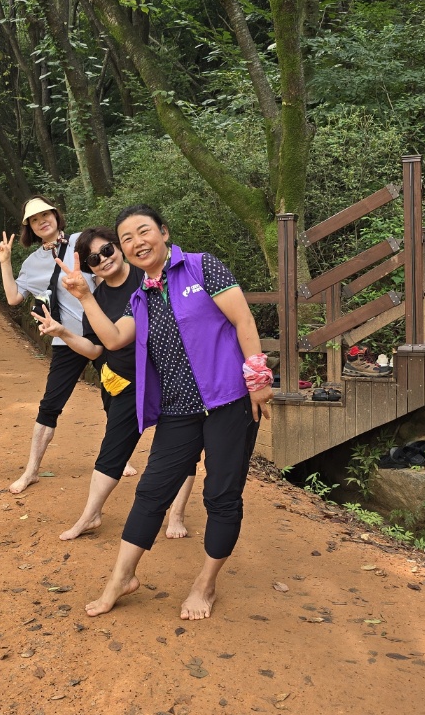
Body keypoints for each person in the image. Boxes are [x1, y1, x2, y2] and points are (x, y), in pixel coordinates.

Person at [66, 204, 271, 621]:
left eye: (144, 231)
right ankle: (121, 579)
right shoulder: (141, 297)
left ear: (163, 232)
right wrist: (85, 296)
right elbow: (114, 339)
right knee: (150, 492)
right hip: (179, 409)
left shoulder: (201, 267)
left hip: (229, 402)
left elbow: (243, 320)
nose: (137, 242)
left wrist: (258, 378)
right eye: (127, 238)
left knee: (221, 496)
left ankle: (205, 584)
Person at [33, 227, 194, 541]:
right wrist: (63, 333)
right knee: (112, 449)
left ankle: (176, 514)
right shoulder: (97, 300)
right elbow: (95, 349)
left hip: (172, 375)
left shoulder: (147, 276)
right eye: (94, 259)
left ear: (119, 247)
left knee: (181, 445)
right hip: (127, 381)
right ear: (90, 268)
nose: (103, 259)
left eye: (106, 250)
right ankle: (90, 515)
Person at [0, 196, 97, 495]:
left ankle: (121, 457)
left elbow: (108, 272)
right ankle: (31, 470)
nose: (42, 221)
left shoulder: (81, 241)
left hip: (102, 330)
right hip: (65, 338)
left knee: (116, 396)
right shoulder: (31, 263)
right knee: (50, 404)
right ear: (30, 228)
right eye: (34, 219)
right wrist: (5, 263)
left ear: (56, 215)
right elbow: (14, 298)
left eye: (45, 214)